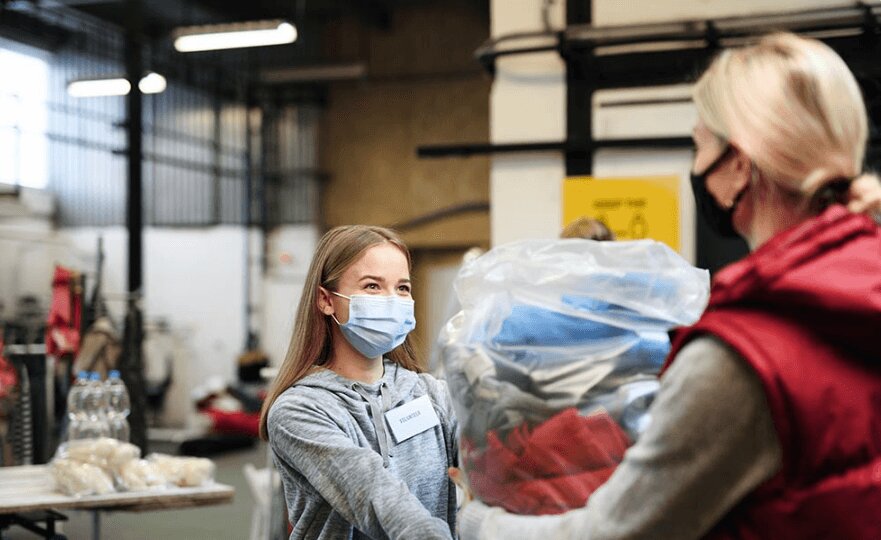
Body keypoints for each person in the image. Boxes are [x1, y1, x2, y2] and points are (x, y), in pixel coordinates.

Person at [455, 33, 881, 539]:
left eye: (700, 145)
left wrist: (475, 520)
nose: (697, 167)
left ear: (739, 166)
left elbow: (613, 534)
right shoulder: (860, 290)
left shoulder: (743, 356)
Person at [260, 225, 458, 540]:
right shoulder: (298, 411)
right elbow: (376, 497)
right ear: (326, 300)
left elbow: (492, 463)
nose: (393, 300)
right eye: (372, 286)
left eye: (403, 288)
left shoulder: (432, 394)